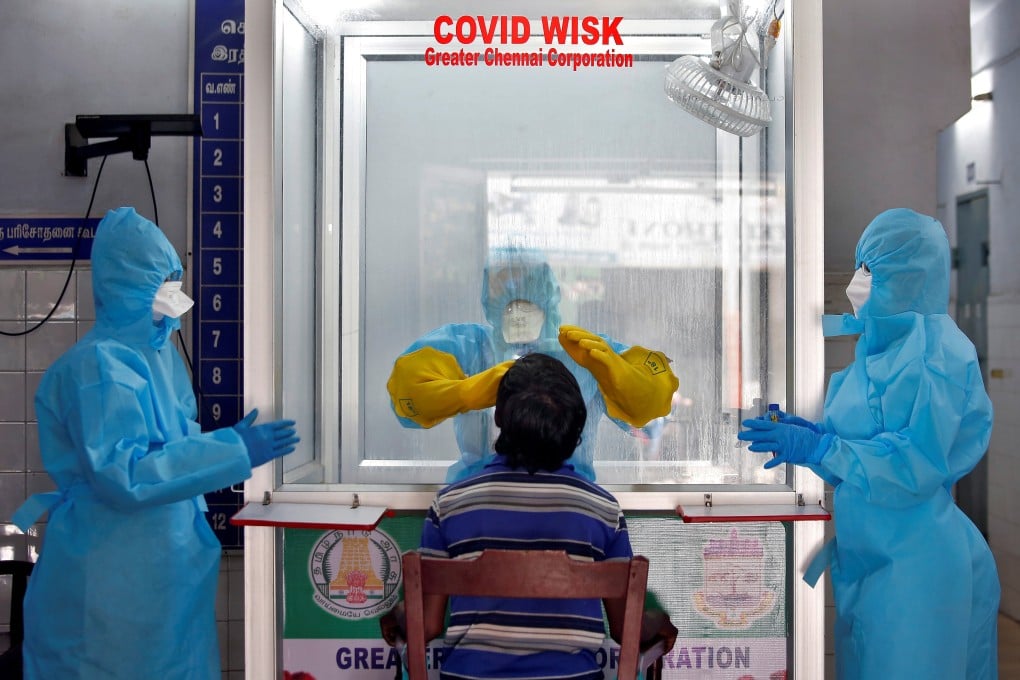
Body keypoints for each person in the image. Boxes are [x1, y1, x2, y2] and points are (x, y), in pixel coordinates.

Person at [11, 206, 299, 679]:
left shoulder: (157, 358)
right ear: (125, 288)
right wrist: (232, 450)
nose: (170, 300)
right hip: (111, 579)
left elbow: (172, 446)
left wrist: (224, 444)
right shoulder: (99, 366)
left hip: (169, 573)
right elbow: (123, 475)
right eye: (159, 285)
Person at [737, 208, 999, 679]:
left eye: (870, 269)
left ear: (907, 277)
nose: (857, 280)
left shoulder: (941, 354)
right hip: (871, 564)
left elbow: (913, 465)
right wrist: (818, 439)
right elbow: (861, 460)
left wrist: (820, 448)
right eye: (861, 265)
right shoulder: (875, 348)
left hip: (919, 571)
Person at [380, 352, 677, 678]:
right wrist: (658, 622)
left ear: (498, 418)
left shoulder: (451, 505)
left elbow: (427, 624)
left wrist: (396, 616)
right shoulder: (602, 510)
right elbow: (626, 630)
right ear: (577, 427)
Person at [386, 245, 678, 482]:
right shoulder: (467, 347)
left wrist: (618, 375)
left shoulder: (586, 354)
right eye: (504, 287)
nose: (517, 301)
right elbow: (407, 394)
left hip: (539, 505)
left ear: (549, 293)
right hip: (504, 503)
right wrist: (464, 393)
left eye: (529, 284)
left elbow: (653, 408)